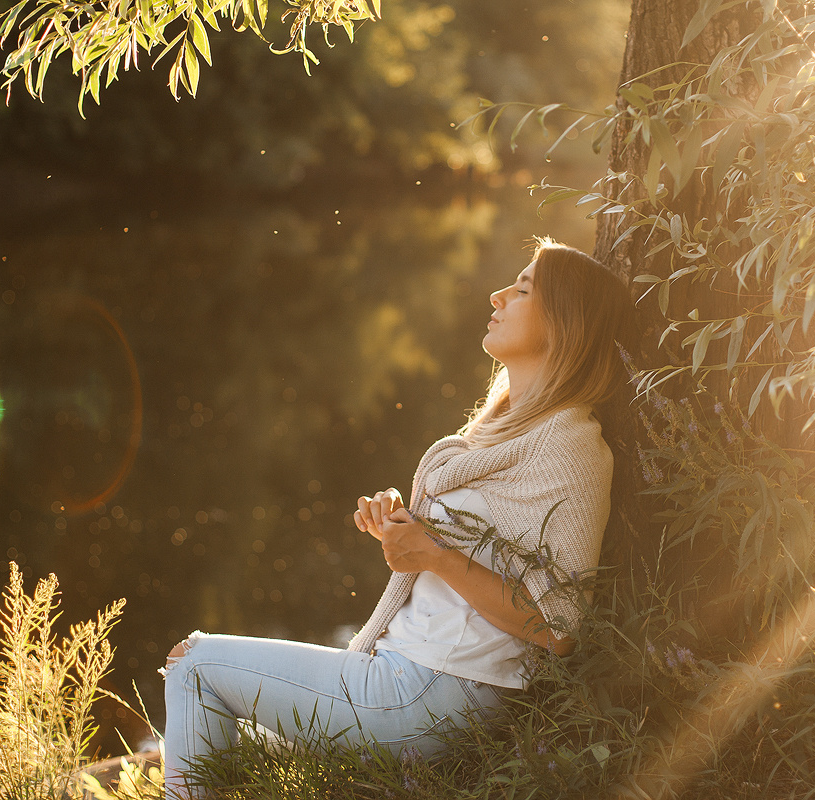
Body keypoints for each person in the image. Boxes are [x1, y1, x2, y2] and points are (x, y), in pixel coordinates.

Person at [159, 238, 635, 798]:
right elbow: (475, 546)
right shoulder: (509, 431)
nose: (498, 295)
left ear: (563, 325)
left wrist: (434, 555)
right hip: (412, 678)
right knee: (217, 716)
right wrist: (405, 527)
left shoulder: (571, 446)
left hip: (434, 691)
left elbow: (557, 629)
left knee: (194, 665)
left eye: (523, 289)